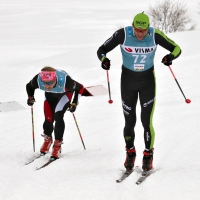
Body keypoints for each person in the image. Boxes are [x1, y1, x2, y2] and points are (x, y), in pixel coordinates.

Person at [97, 12, 181, 171]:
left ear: (148, 27)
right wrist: (104, 60)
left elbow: (176, 48)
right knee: (129, 122)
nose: (140, 34)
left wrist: (170, 57)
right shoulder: (123, 34)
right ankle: (130, 152)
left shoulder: (155, 34)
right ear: (133, 26)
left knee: (146, 121)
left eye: (143, 30)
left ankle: (148, 154)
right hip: (127, 82)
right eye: (137, 30)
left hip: (147, 82)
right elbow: (102, 49)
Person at [26, 66, 84, 160]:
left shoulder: (66, 81)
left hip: (65, 94)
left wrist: (74, 103)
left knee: (58, 116)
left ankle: (57, 144)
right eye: (45, 83)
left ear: (55, 79)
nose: (47, 86)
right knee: (48, 118)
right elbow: (29, 86)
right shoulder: (38, 79)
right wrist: (30, 97)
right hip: (50, 96)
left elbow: (80, 88)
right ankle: (48, 139)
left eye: (50, 83)